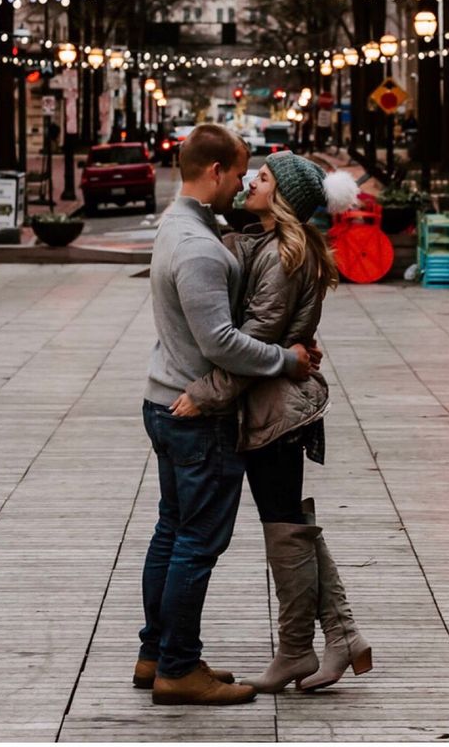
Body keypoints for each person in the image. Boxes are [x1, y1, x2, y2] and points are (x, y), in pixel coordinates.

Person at [173, 152, 372, 693]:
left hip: (276, 409)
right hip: (267, 403)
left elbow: (257, 336)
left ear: (282, 196)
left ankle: (296, 650)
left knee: (283, 525)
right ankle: (342, 635)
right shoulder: (263, 241)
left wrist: (206, 394)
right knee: (290, 522)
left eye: (261, 179)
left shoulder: (288, 252)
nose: (249, 182)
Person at [136, 124, 316, 707]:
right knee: (196, 542)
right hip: (193, 411)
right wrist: (286, 359)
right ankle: (178, 668)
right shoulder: (196, 246)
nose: (242, 183)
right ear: (214, 171)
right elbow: (222, 343)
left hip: (166, 399)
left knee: (171, 532)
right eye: (240, 172)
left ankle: (156, 652)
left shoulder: (184, 224)